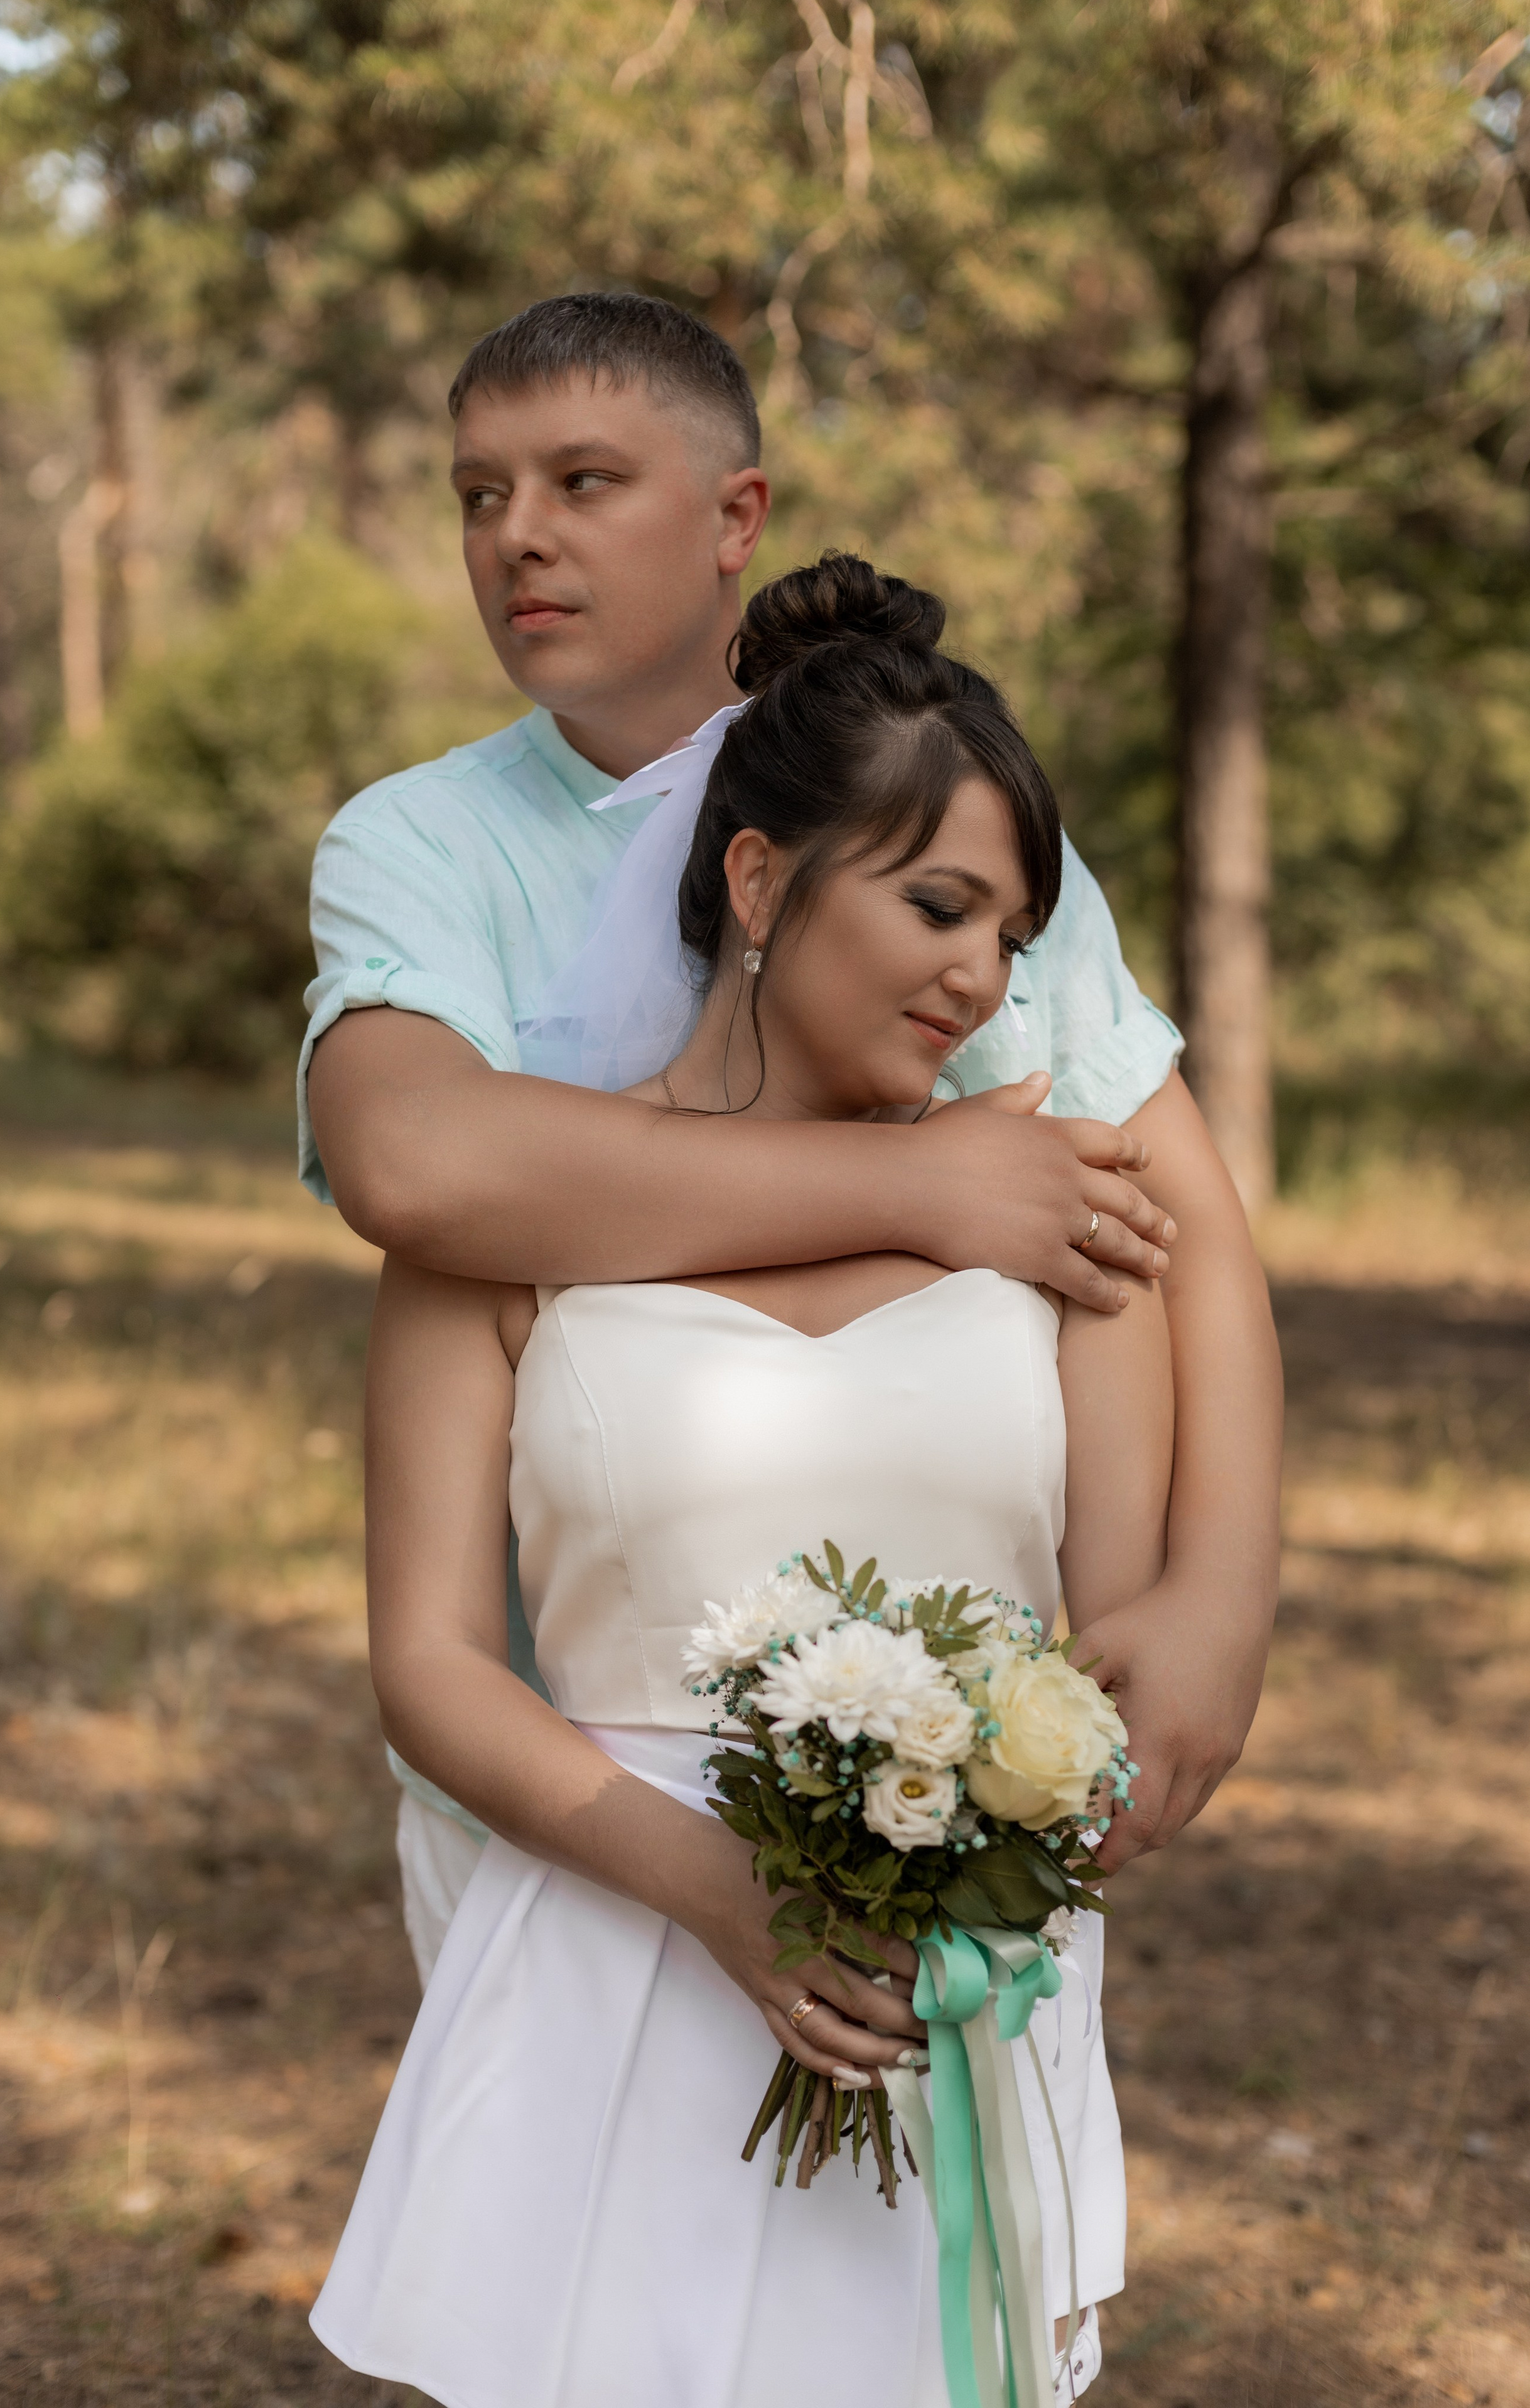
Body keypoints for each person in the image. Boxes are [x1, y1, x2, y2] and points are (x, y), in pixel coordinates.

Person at [300, 291, 1281, 1979]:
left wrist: (1217, 1605)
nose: (518, 536)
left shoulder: (949, 833)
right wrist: (923, 1178)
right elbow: (419, 1170)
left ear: (735, 517)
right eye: (479, 493)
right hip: (558, 1773)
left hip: (918, 1790)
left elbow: (1185, 1242)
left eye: (583, 481)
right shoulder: (421, 844)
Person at [310, 558, 1178, 2407]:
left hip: (936, 1984)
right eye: (940, 903)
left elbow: (1118, 1635)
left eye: (1014, 939)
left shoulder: (1060, 1210)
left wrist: (1013, 1820)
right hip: (617, 1952)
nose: (981, 974)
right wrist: (720, 1891)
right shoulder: (504, 1237)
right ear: (762, 880)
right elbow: (436, 1663)